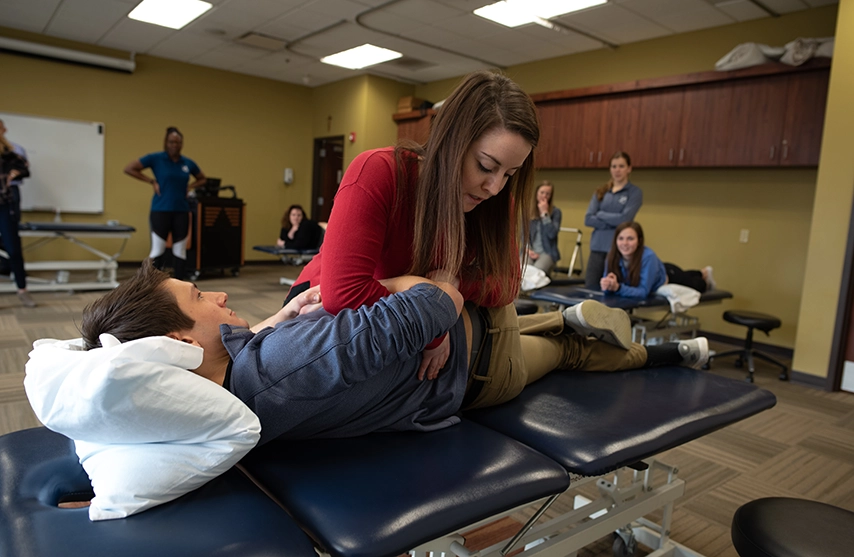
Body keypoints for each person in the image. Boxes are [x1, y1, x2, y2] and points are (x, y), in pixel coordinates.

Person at [80, 260, 710, 445]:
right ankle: (664, 352)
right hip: (478, 369)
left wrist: (281, 311)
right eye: (200, 297)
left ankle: (585, 322)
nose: (218, 293)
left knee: (547, 326)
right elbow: (439, 302)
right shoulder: (285, 367)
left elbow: (242, 354)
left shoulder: (212, 387)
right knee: (569, 353)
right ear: (180, 342)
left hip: (475, 346)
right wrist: (399, 282)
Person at [290, 70, 540, 381]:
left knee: (505, 330)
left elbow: (508, 284)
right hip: (318, 304)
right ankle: (568, 334)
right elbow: (344, 294)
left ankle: (568, 332)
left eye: (509, 174)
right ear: (451, 141)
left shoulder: (495, 202)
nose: (494, 187)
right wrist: (433, 318)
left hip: (393, 311)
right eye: (486, 166)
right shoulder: (378, 172)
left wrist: (452, 285)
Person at [124, 127, 206, 280]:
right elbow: (129, 168)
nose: (175, 145)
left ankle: (180, 286)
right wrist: (151, 181)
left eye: (178, 142)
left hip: (181, 211)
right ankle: (150, 287)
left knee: (180, 251)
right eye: (172, 142)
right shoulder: (156, 158)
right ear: (166, 143)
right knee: (158, 251)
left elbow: (202, 178)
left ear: (181, 144)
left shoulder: (187, 163)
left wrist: (191, 187)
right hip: (160, 210)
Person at [600, 221, 715, 298]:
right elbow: (608, 288)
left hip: (669, 276)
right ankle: (700, 272)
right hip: (656, 269)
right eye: (621, 238)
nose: (624, 243)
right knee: (688, 273)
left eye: (630, 239)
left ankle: (704, 276)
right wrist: (607, 284)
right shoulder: (611, 256)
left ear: (639, 241)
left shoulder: (649, 256)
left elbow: (643, 291)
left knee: (698, 285)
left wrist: (618, 287)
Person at [584, 151, 642, 289]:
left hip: (617, 250)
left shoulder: (634, 192)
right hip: (597, 247)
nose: (617, 170)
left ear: (629, 168)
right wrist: (613, 220)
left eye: (621, 166)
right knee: (590, 288)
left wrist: (601, 214)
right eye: (614, 166)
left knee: (611, 290)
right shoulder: (601, 191)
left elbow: (625, 219)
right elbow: (588, 219)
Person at [0, 119, 35, 307]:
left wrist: (15, 173)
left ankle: (22, 290)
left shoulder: (9, 152)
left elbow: (24, 169)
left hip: (5, 204)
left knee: (13, 248)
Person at [526, 181, 562, 275]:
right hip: (530, 251)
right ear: (537, 193)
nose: (544, 196)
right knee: (524, 270)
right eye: (542, 192)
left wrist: (545, 214)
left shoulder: (556, 212)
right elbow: (524, 235)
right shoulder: (528, 211)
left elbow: (552, 234)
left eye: (548, 194)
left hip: (547, 252)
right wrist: (528, 250)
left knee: (537, 270)